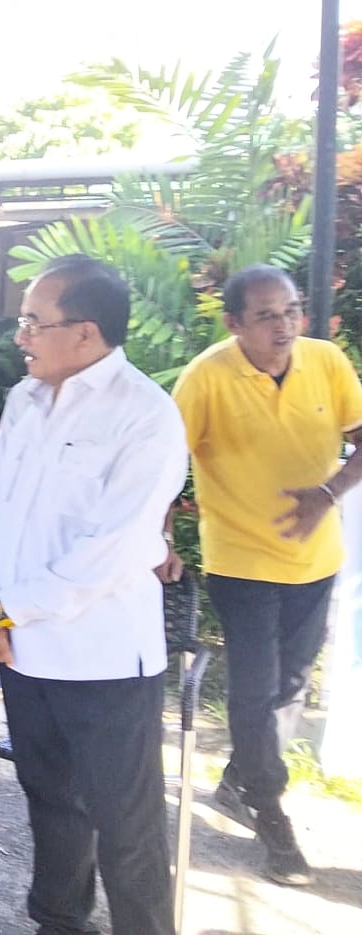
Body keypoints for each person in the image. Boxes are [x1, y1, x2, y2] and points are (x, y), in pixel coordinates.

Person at [0, 255, 186, 935]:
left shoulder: (146, 416)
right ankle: (58, 923)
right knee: (51, 806)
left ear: (85, 333)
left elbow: (111, 550)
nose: (20, 334)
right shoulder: (23, 400)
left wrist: (3, 608)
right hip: (26, 655)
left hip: (105, 664)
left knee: (127, 830)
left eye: (34, 321)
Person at [166, 264, 362, 886]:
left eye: (292, 311)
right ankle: (271, 811)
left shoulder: (326, 362)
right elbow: (161, 463)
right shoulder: (206, 378)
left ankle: (238, 778)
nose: (285, 326)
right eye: (267, 316)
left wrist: (328, 493)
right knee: (255, 687)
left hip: (315, 559)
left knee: (290, 684)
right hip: (241, 561)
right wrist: (159, 536)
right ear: (235, 323)